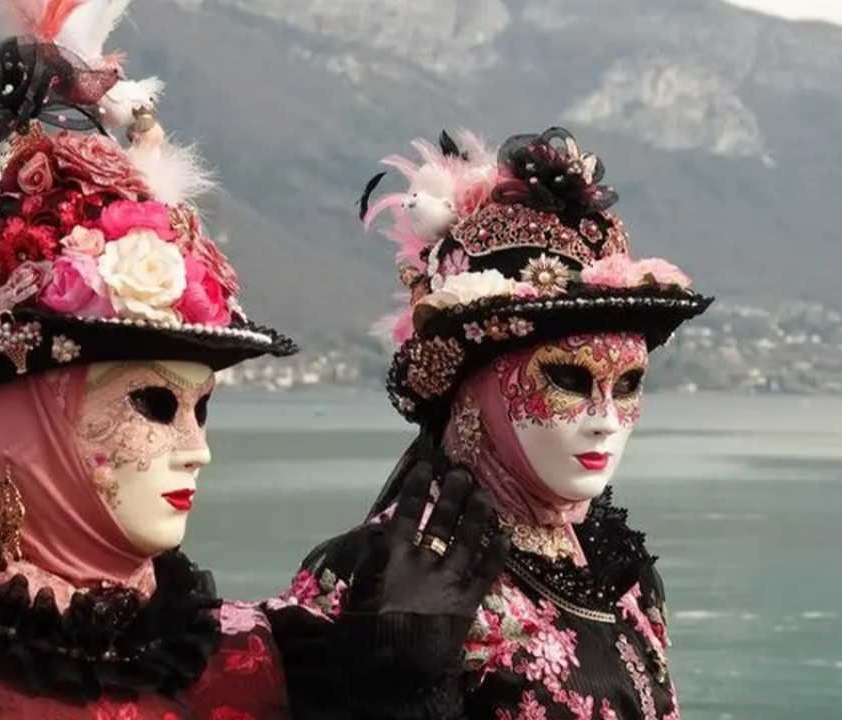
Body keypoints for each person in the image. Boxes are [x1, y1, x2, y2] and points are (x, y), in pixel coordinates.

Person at [0, 3, 505, 718]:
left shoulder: (253, 659)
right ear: (15, 429)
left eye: (201, 407)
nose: (197, 452)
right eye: (152, 403)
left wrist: (397, 685)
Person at [287, 126, 714, 719]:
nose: (606, 420)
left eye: (628, 385)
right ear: (473, 395)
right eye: (567, 379)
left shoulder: (622, 578)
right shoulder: (372, 580)